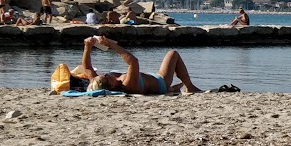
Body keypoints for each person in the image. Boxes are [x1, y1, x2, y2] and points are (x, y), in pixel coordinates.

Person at [74, 35, 203, 95]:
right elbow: (133, 62)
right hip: (161, 82)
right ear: (111, 85)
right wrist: (112, 45)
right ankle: (189, 87)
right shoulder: (128, 85)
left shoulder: (98, 82)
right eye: (106, 77)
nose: (105, 74)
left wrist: (87, 46)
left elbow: (87, 68)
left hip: (150, 82)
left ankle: (175, 88)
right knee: (173, 54)